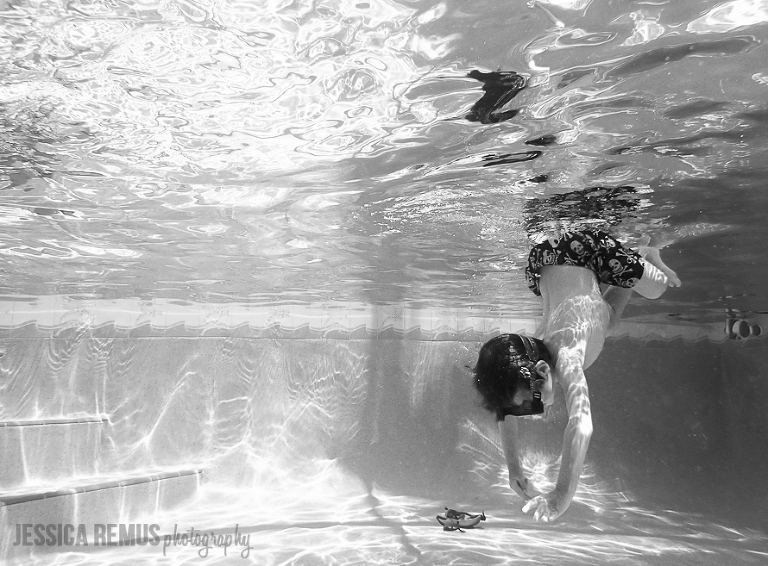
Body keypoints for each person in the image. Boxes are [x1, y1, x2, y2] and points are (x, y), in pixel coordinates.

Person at [473, 229, 681, 522]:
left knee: (658, 288)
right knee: (608, 321)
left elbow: (581, 426)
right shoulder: (533, 349)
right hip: (544, 257)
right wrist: (514, 468)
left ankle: (645, 252)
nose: (529, 412)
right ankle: (631, 261)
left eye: (527, 405)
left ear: (544, 372)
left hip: (583, 249)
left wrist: (561, 496)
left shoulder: (568, 356)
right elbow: (506, 410)